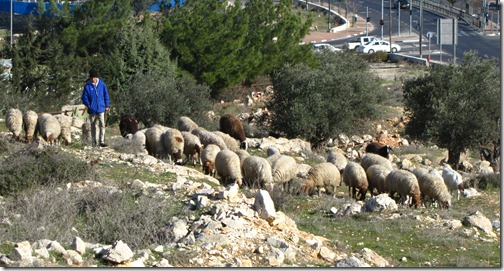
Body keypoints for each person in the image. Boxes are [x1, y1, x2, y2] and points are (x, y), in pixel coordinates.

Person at [82, 69, 110, 147]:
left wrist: (107, 105)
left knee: (102, 124)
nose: (93, 79)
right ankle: (94, 142)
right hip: (92, 109)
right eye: (92, 78)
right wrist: (89, 105)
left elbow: (106, 95)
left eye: (94, 77)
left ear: (96, 77)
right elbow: (84, 98)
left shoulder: (102, 84)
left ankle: (102, 141)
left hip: (101, 108)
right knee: (93, 126)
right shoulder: (87, 86)